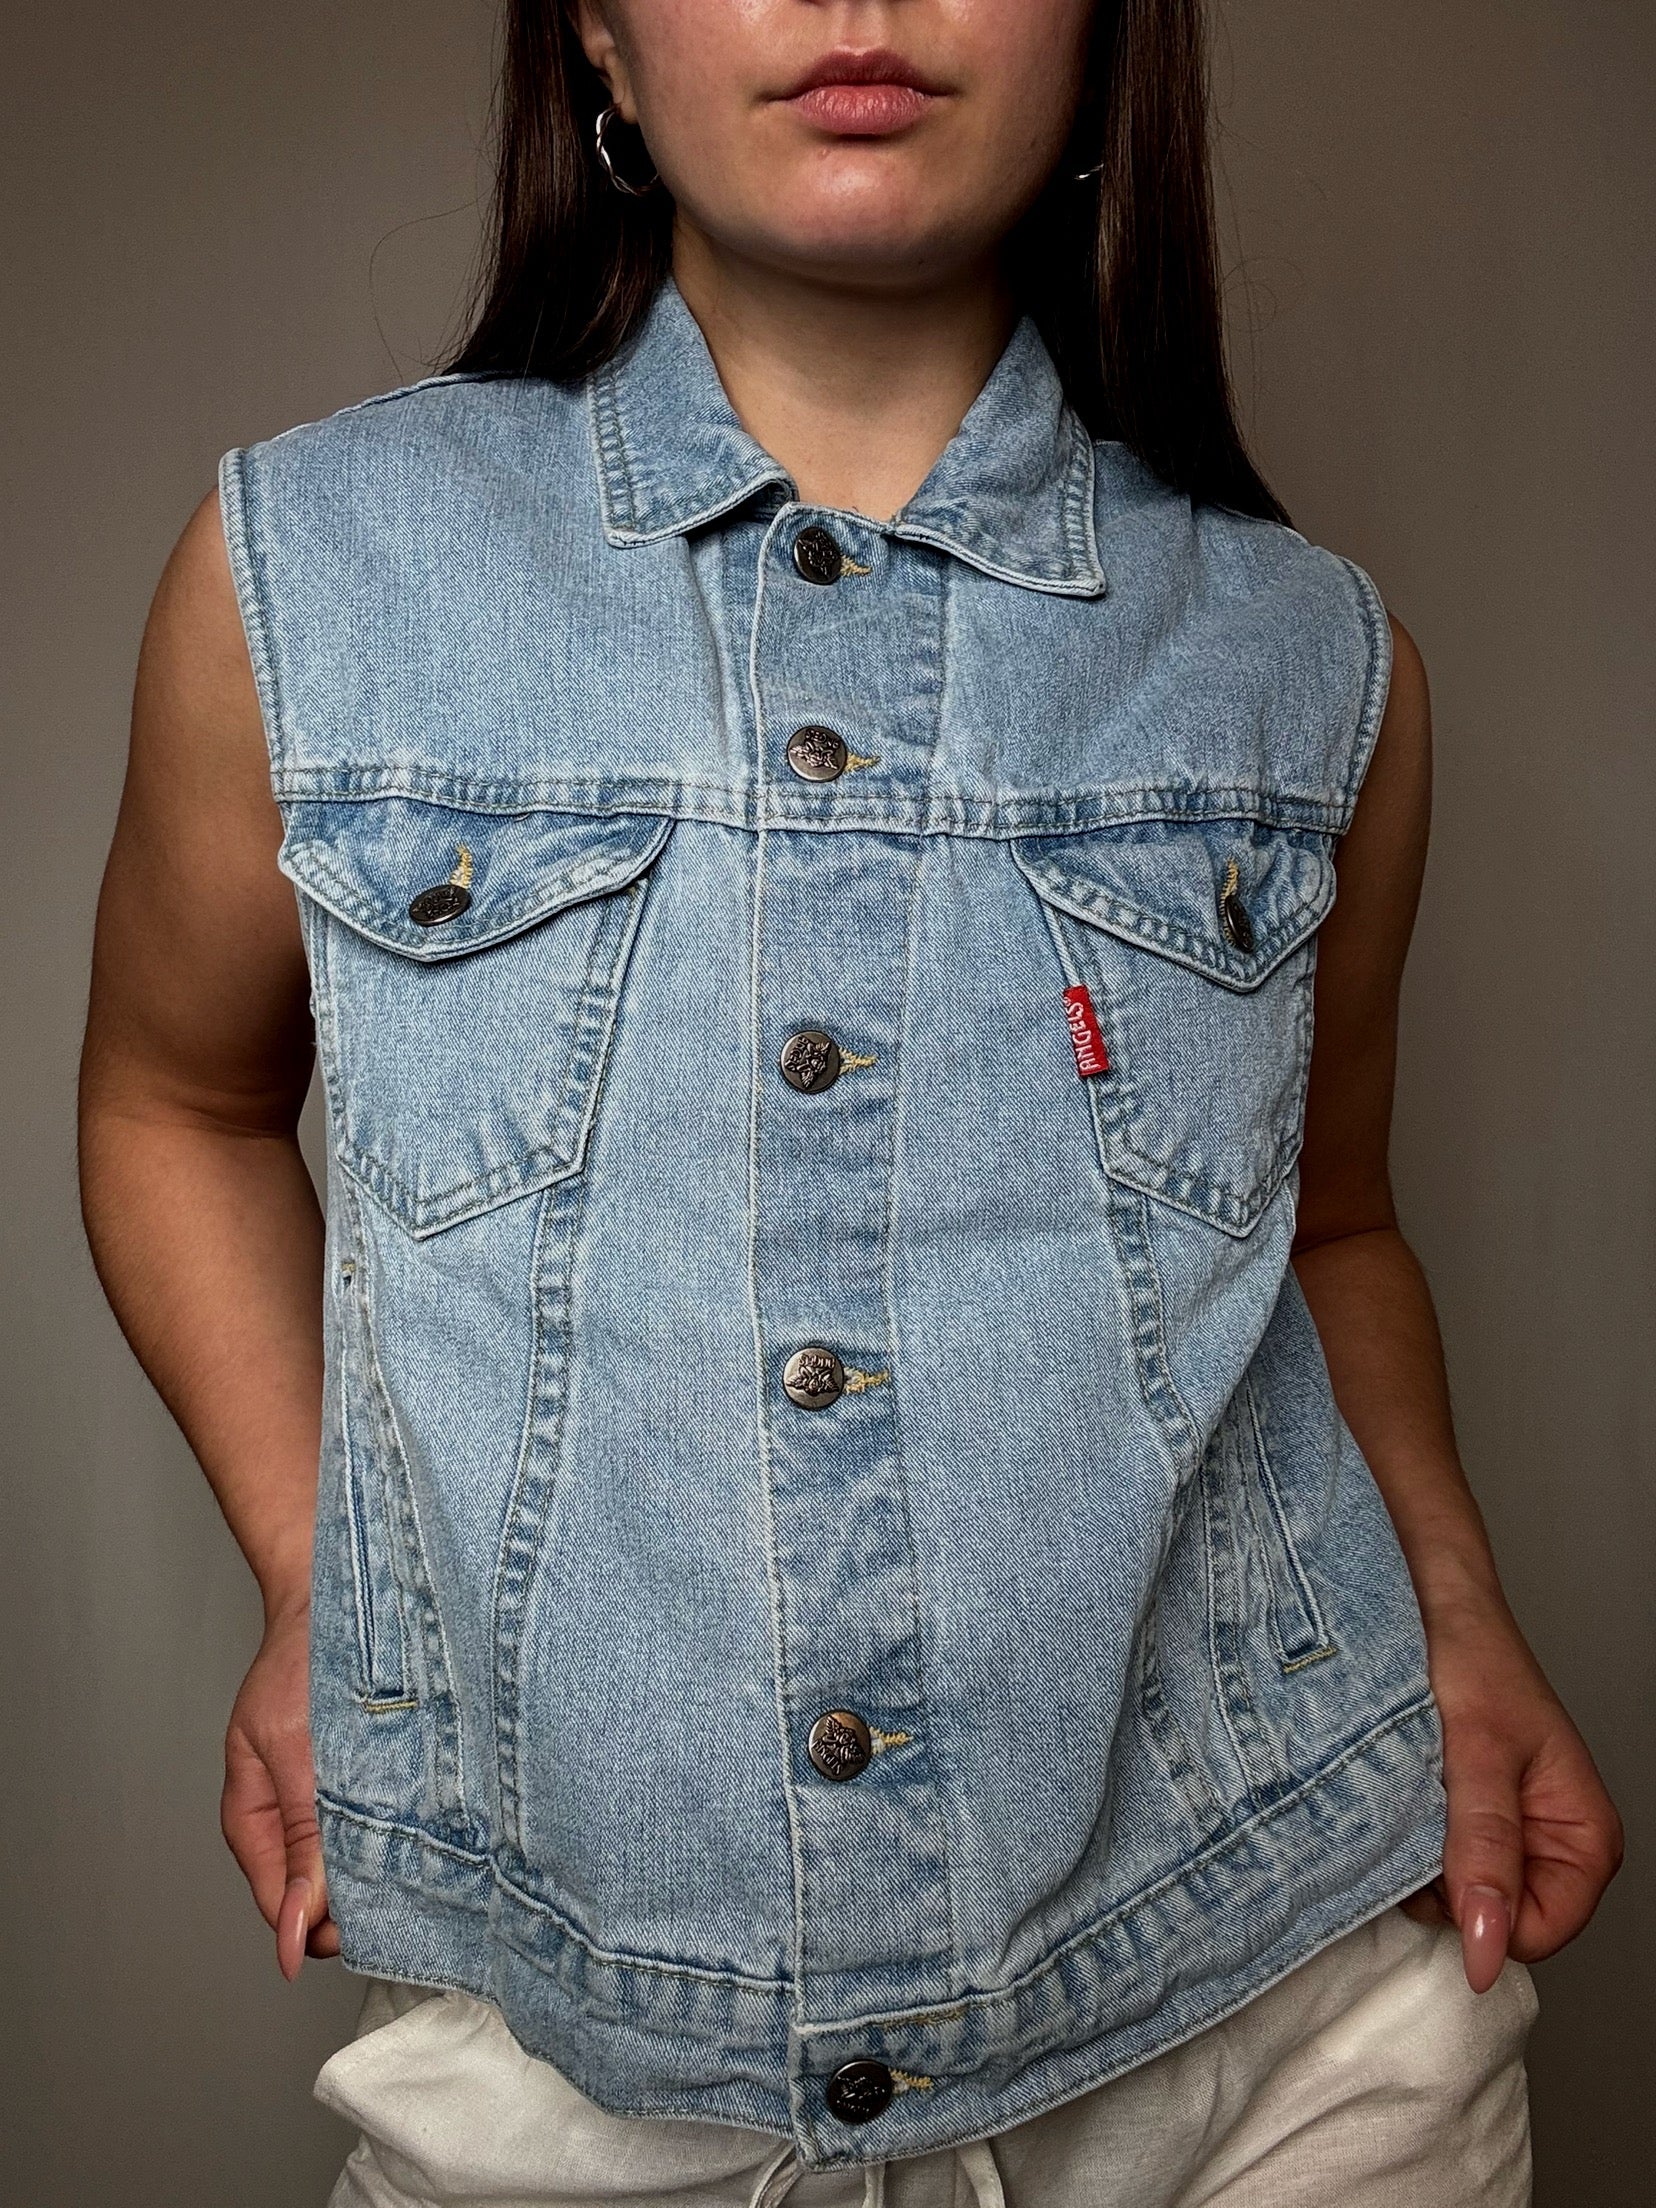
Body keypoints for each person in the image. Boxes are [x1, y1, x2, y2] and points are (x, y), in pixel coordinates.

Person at [78, 3, 1622, 2203]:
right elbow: (173, 1105)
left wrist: (1456, 1611)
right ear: (601, 37)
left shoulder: (1313, 658)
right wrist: (332, 1581)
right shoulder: (309, 572)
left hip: (1285, 2019)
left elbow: (1335, 1225)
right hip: (575, 2038)